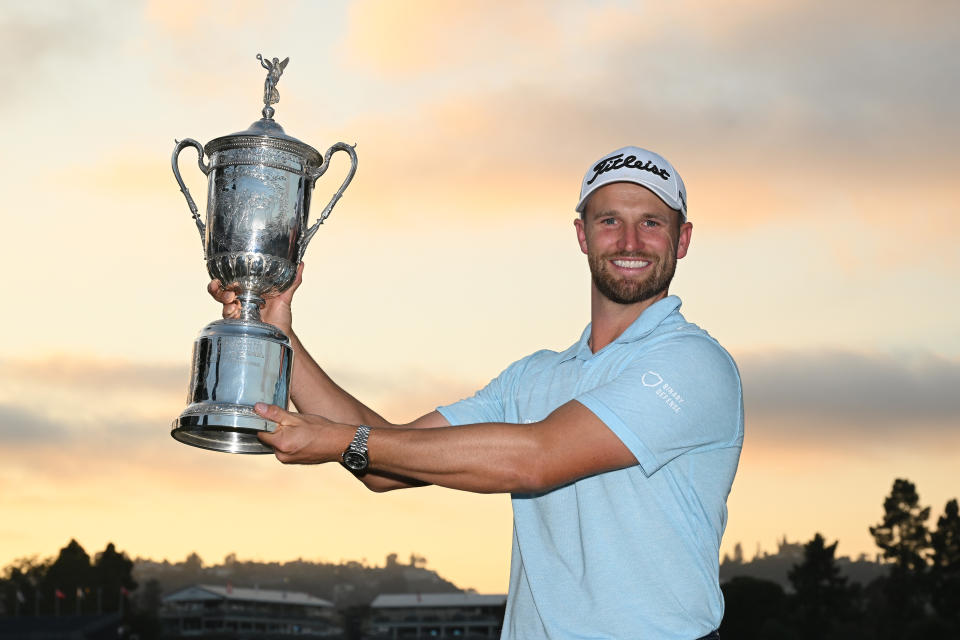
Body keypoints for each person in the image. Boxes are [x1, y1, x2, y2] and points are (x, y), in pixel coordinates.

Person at [210, 146, 743, 639]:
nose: (630, 242)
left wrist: (341, 439)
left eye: (650, 223)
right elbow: (385, 459)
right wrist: (279, 334)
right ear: (582, 236)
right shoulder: (534, 377)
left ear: (683, 239)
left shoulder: (693, 363)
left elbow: (538, 458)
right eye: (610, 222)